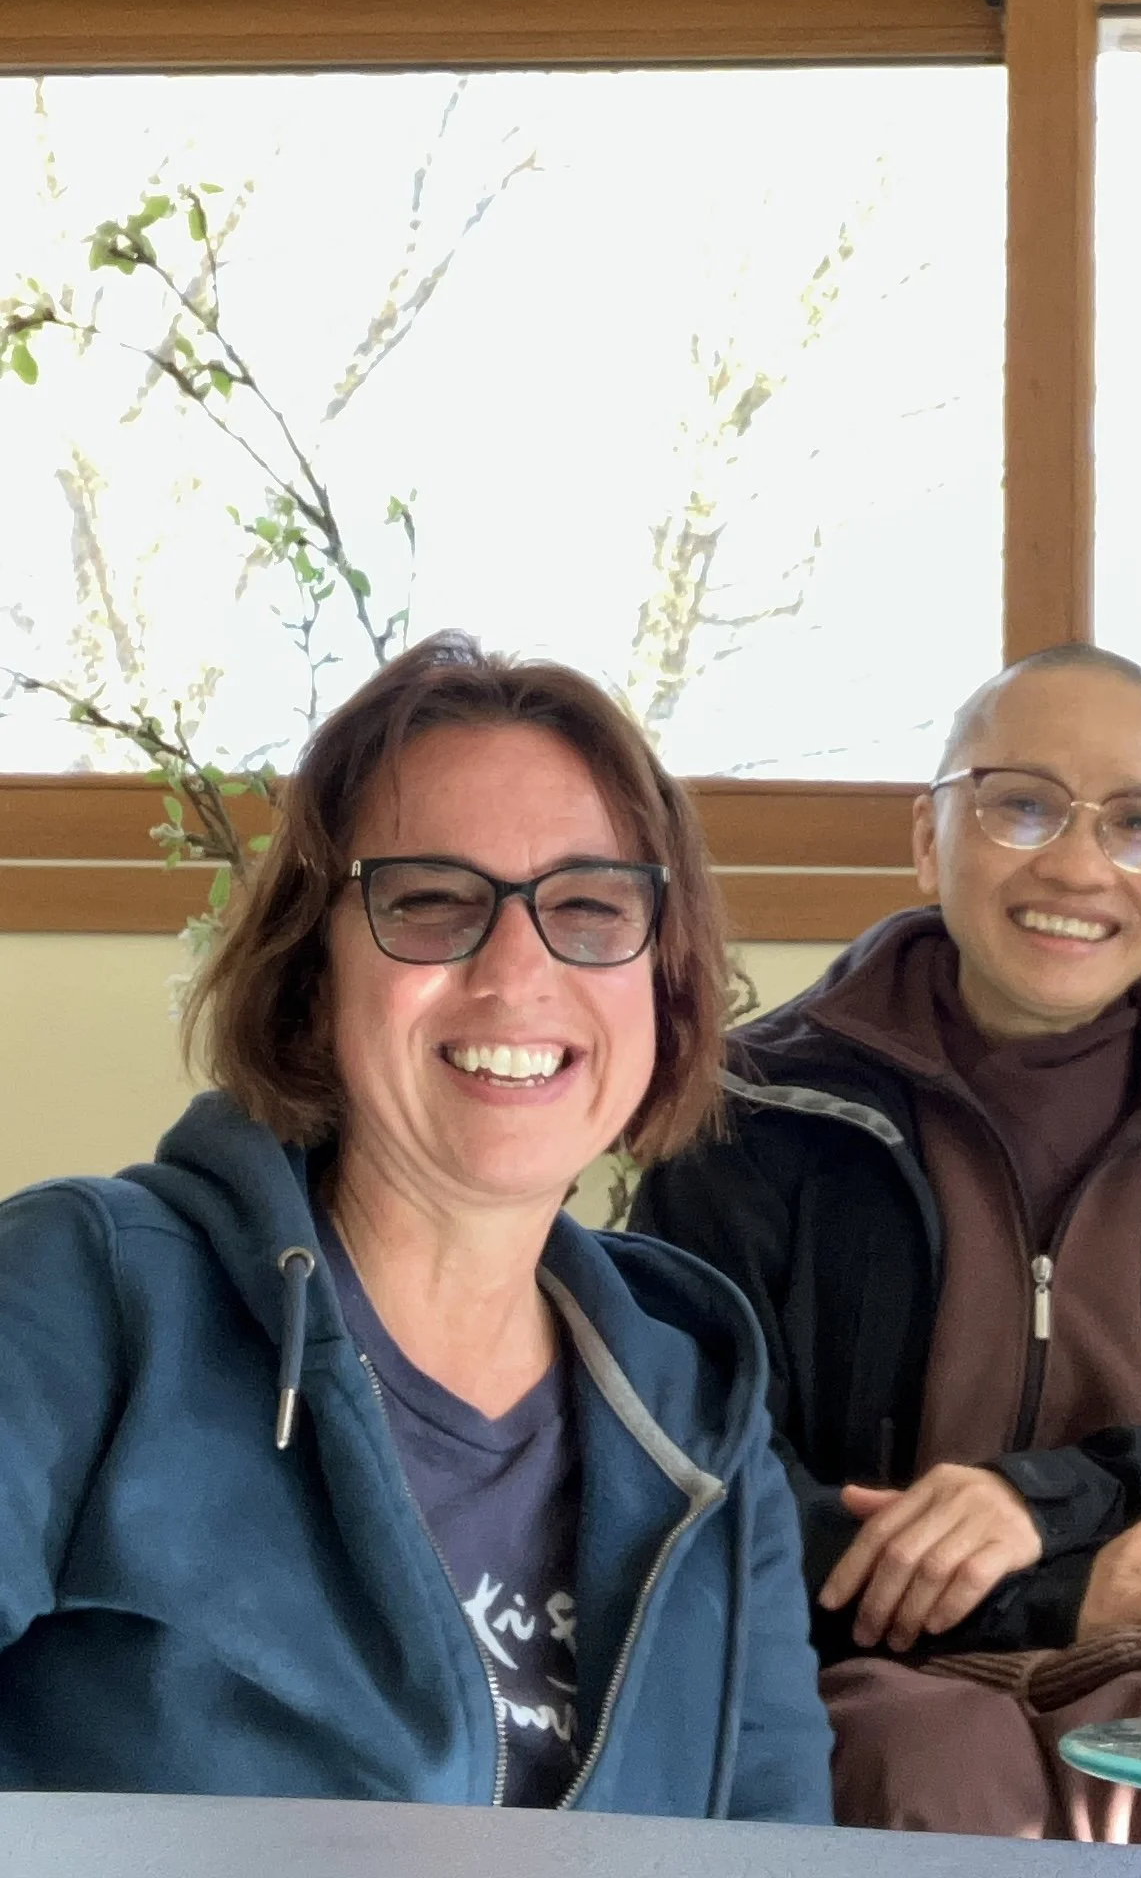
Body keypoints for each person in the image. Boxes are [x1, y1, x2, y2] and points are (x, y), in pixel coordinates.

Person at [0, 633, 832, 1816]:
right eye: (433, 903)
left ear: (666, 980)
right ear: (312, 972)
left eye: (590, 907)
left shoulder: (701, 1414)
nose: (516, 968)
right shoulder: (85, 1292)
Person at [633, 643, 1141, 1838]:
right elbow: (677, 1492)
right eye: (1021, 806)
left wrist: (1085, 1503)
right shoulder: (753, 1121)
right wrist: (1057, 1586)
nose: (1076, 864)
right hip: (861, 1684)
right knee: (928, 1753)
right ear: (927, 836)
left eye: (1139, 825)